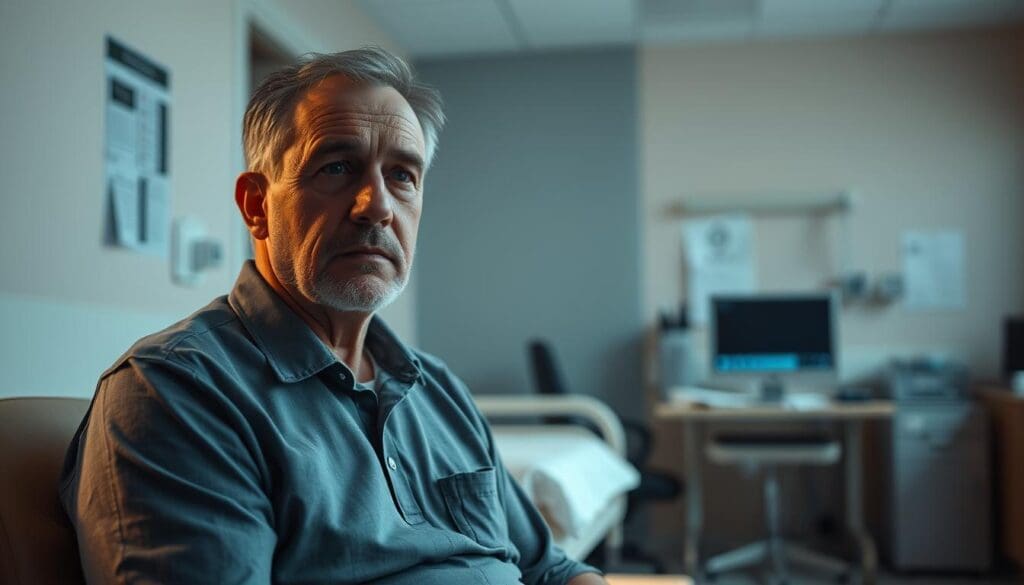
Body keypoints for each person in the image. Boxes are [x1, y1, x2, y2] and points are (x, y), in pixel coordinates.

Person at [59, 47, 607, 585]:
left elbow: (549, 569)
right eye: (337, 167)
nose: (377, 206)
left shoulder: (437, 390)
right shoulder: (179, 392)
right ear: (256, 206)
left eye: (403, 176)